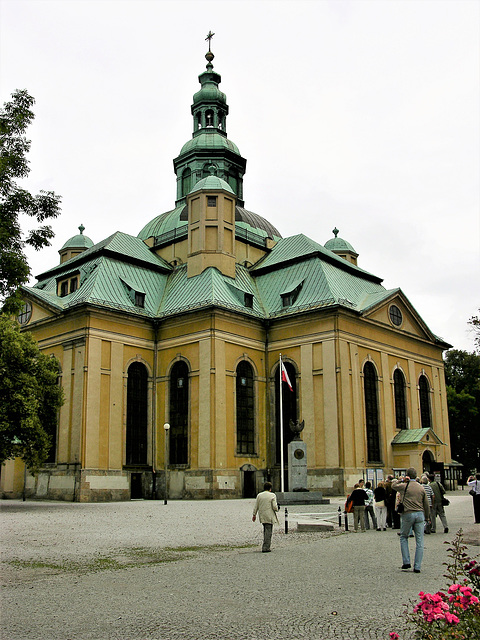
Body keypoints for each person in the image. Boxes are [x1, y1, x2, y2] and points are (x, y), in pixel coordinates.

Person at [392, 467, 430, 573]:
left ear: (407, 475)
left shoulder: (405, 486)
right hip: (420, 514)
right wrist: (427, 517)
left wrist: (402, 479)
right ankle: (417, 566)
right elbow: (426, 504)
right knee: (420, 541)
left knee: (404, 537)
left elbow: (393, 485)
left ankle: (406, 561)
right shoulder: (421, 487)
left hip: (408, 514)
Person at [252, 481, 279, 552]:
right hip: (269, 516)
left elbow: (256, 506)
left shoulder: (259, 495)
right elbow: (275, 507)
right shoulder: (272, 495)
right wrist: (278, 508)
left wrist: (254, 515)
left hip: (262, 515)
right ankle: (266, 547)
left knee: (265, 530)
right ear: (270, 488)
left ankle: (265, 546)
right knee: (268, 532)